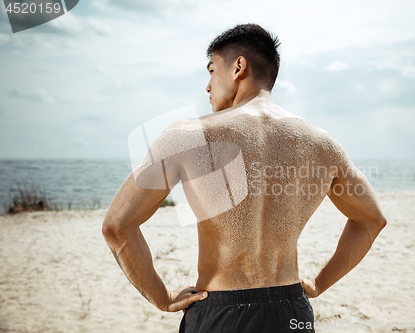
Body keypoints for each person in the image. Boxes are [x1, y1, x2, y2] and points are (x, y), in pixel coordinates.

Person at [102, 23, 387, 333]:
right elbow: (372, 220)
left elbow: (117, 226)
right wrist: (319, 283)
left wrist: (162, 297)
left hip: (220, 310)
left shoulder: (188, 136)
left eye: (211, 71)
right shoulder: (323, 144)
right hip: (291, 309)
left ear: (238, 67)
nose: (207, 86)